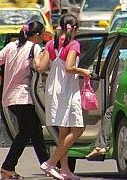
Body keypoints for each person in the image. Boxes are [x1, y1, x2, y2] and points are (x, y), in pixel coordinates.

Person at [0, 21, 49, 179]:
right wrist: (47, 53)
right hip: (24, 97)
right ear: (36, 35)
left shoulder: (11, 46)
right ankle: (7, 167)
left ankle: (48, 165)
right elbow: (39, 67)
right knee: (25, 132)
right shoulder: (34, 48)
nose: (43, 38)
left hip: (9, 97)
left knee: (35, 131)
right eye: (42, 35)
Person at [35, 13, 90, 180]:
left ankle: (64, 170)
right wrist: (84, 71)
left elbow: (41, 67)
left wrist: (38, 57)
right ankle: (51, 163)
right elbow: (69, 67)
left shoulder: (51, 44)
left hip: (54, 88)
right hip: (67, 89)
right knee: (78, 129)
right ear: (73, 29)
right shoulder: (74, 44)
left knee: (63, 131)